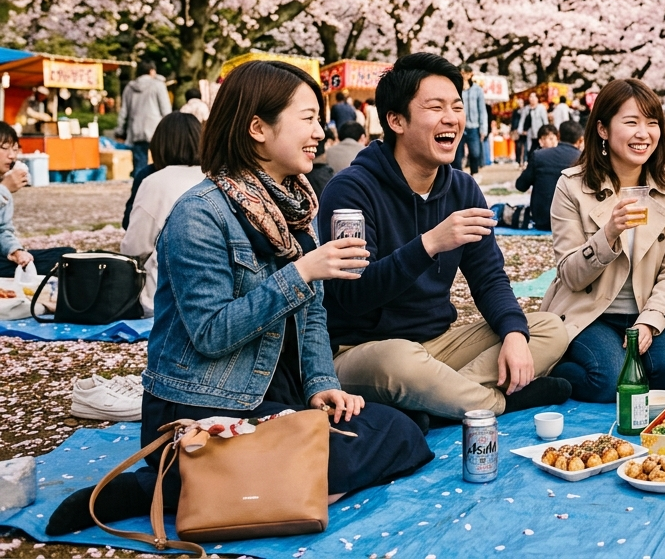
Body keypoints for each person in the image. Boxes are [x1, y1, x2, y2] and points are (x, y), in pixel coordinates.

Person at [44, 60, 432, 538]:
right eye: (307, 118)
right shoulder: (199, 215)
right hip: (208, 401)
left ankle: (221, 483)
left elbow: (311, 319)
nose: (320, 131)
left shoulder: (294, 207)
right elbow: (210, 333)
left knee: (404, 429)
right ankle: (169, 486)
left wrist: (320, 385)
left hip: (277, 395)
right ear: (258, 128)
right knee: (359, 448)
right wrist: (301, 272)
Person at [319, 54, 571, 423]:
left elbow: (489, 277)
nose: (451, 117)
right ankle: (497, 403)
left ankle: (437, 403)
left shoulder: (462, 188)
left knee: (549, 328)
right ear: (396, 120)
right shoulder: (351, 191)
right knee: (401, 362)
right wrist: (428, 245)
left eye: (456, 105)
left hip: (438, 346)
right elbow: (352, 296)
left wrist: (515, 334)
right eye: (435, 107)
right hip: (364, 350)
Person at [542, 80, 665, 402]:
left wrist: (650, 322)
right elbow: (570, 276)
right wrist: (608, 235)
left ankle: (639, 358)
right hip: (590, 312)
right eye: (631, 122)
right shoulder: (572, 187)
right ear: (603, 129)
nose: (643, 134)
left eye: (652, 123)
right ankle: (554, 373)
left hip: (650, 310)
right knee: (609, 381)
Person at [120, 113, 206, 317]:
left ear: (159, 145)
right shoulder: (219, 176)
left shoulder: (154, 182)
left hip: (167, 295)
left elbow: (133, 248)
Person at [0, 123, 72, 277]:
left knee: (66, 256)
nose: (11, 155)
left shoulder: (3, 184)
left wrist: (16, 251)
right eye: (5, 148)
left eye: (14, 149)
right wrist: (4, 190)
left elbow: (3, 230)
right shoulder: (4, 188)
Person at [514, 121, 583, 231]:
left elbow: (521, 186)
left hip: (542, 219)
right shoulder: (583, 159)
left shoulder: (539, 156)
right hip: (573, 222)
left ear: (558, 135)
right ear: (580, 140)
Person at [115, 61, 172, 168]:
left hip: (136, 130)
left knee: (139, 164)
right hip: (156, 129)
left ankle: (139, 184)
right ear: (152, 71)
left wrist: (120, 130)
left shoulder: (129, 87)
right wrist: (169, 129)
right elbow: (166, 109)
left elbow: (124, 111)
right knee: (160, 163)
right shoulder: (158, 85)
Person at [456, 68, 489, 174]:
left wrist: (483, 128)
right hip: (458, 126)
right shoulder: (456, 88)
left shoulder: (477, 90)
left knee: (475, 153)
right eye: (461, 73)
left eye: (466, 73)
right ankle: (456, 176)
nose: (464, 75)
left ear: (470, 74)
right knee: (457, 155)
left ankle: (474, 174)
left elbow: (482, 110)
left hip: (473, 126)